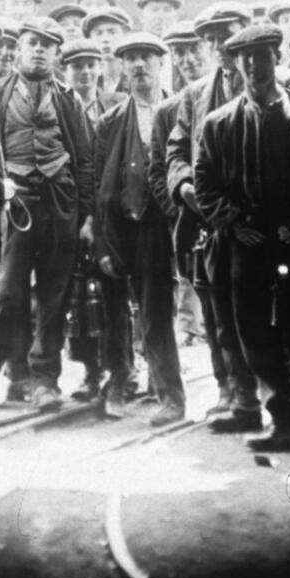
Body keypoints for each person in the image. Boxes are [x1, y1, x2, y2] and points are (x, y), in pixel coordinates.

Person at [195, 23, 290, 454]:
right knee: (257, 339)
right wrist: (231, 221)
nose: (252, 66)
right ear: (236, 65)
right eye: (244, 59)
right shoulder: (218, 124)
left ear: (275, 60)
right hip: (248, 245)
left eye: (261, 57)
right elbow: (204, 183)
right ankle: (285, 422)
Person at [0, 17, 95, 411]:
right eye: (32, 43)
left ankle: (45, 381)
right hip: (16, 205)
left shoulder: (68, 98)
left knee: (53, 297)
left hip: (60, 203)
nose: (39, 50)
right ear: (20, 48)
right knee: (8, 294)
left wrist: (86, 215)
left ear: (57, 54)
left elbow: (85, 160)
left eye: (47, 44)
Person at [166, 2, 261, 427]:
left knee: (268, 308)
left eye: (229, 34)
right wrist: (184, 186)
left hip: (259, 218)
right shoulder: (194, 96)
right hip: (209, 220)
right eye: (213, 38)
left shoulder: (272, 84)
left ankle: (277, 393)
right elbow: (175, 150)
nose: (222, 45)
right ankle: (230, 390)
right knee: (216, 309)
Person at [97, 33, 186, 426]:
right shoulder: (111, 120)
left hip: (157, 224)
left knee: (155, 310)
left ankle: (170, 396)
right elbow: (97, 179)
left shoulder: (179, 110)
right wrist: (98, 234)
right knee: (113, 309)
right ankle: (117, 383)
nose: (137, 65)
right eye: (130, 58)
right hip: (118, 223)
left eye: (146, 57)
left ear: (160, 62)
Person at [61, 38, 127, 401]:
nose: (85, 71)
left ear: (100, 68)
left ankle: (122, 372)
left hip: (108, 214)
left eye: (91, 64)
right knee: (79, 298)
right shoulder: (59, 106)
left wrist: (98, 219)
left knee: (116, 294)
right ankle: (90, 373)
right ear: (65, 70)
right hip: (69, 213)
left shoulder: (116, 106)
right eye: (77, 66)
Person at [151, 22, 207, 348]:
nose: (186, 59)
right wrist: (180, 205)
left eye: (192, 49)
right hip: (187, 214)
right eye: (178, 52)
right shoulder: (166, 110)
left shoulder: (230, 95)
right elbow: (159, 169)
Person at [134, 0, 185, 92]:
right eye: (154, 10)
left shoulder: (183, 52)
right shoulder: (132, 52)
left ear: (176, 16)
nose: (160, 16)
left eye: (167, 10)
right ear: (141, 16)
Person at [82, 6, 132, 96]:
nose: (105, 39)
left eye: (112, 32)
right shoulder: (84, 81)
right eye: (98, 33)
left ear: (126, 35)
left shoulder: (136, 78)